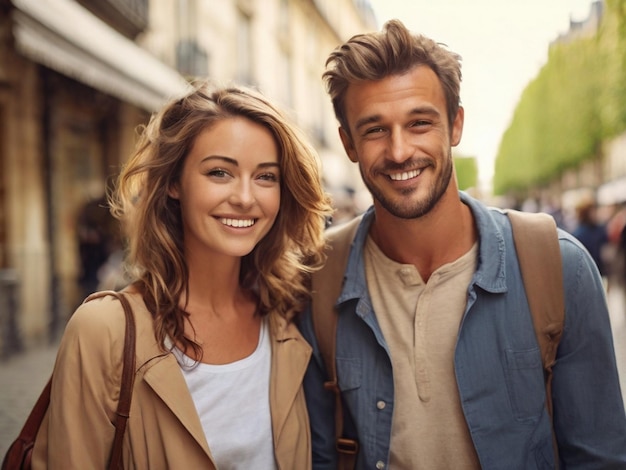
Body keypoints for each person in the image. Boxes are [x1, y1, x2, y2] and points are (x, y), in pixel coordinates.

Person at [297, 19, 626, 469]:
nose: (398, 151)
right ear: (348, 143)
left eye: (419, 123)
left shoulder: (558, 267)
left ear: (455, 126)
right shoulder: (317, 279)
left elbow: (600, 458)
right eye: (374, 130)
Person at [32, 81, 333, 469]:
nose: (245, 197)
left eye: (266, 177)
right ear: (174, 182)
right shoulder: (103, 331)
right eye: (220, 172)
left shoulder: (286, 317)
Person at [571, 194, 609, 282]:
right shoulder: (579, 234)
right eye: (592, 211)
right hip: (588, 275)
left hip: (601, 271)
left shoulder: (599, 229)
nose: (595, 213)